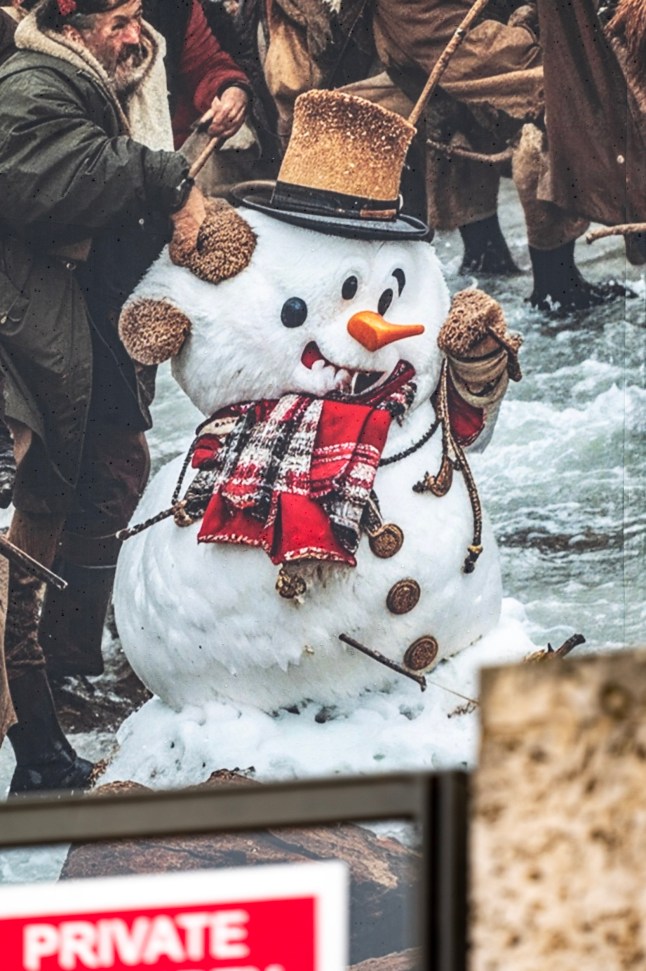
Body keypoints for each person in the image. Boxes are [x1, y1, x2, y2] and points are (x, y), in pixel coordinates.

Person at [0, 0, 207, 793]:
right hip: (30, 346)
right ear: (71, 20)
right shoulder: (32, 86)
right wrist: (169, 175)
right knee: (25, 554)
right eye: (118, 18)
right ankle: (41, 756)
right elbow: (49, 187)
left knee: (101, 484)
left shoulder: (74, 81)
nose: (136, 34)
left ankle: (56, 709)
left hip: (63, 333)